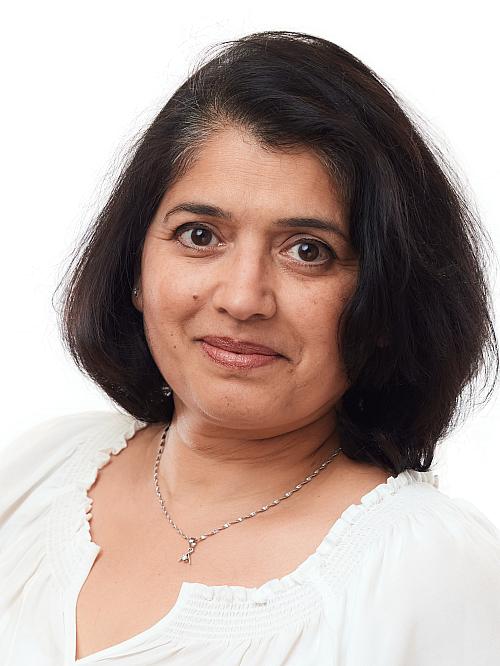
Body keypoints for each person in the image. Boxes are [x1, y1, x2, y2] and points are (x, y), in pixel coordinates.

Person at [1, 29, 500, 666]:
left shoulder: (430, 571)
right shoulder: (38, 473)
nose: (243, 299)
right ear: (135, 267)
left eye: (307, 251)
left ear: (382, 299)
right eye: (200, 235)